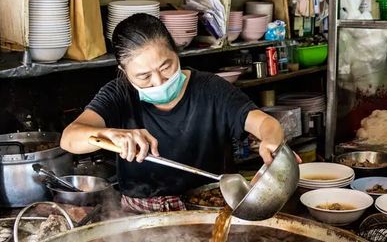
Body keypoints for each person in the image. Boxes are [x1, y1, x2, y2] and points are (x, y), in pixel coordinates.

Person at [60, 13, 286, 213]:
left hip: (206, 206)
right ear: (124, 72)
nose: (159, 81)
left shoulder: (211, 89)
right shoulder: (118, 94)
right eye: (144, 76)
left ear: (177, 52)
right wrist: (112, 134)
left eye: (166, 66)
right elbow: (69, 139)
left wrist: (271, 139)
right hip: (139, 214)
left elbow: (265, 123)